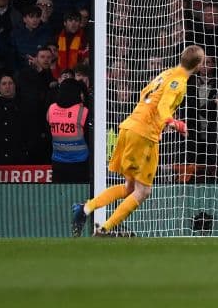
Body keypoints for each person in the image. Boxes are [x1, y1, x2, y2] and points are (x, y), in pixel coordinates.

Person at [71, 45, 205, 237]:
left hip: (130, 126)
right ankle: (104, 229)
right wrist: (173, 122)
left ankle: (84, 209)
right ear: (199, 65)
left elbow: (145, 94)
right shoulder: (179, 81)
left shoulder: (167, 73)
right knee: (143, 192)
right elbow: (163, 105)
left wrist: (158, 123)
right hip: (142, 134)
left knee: (130, 188)